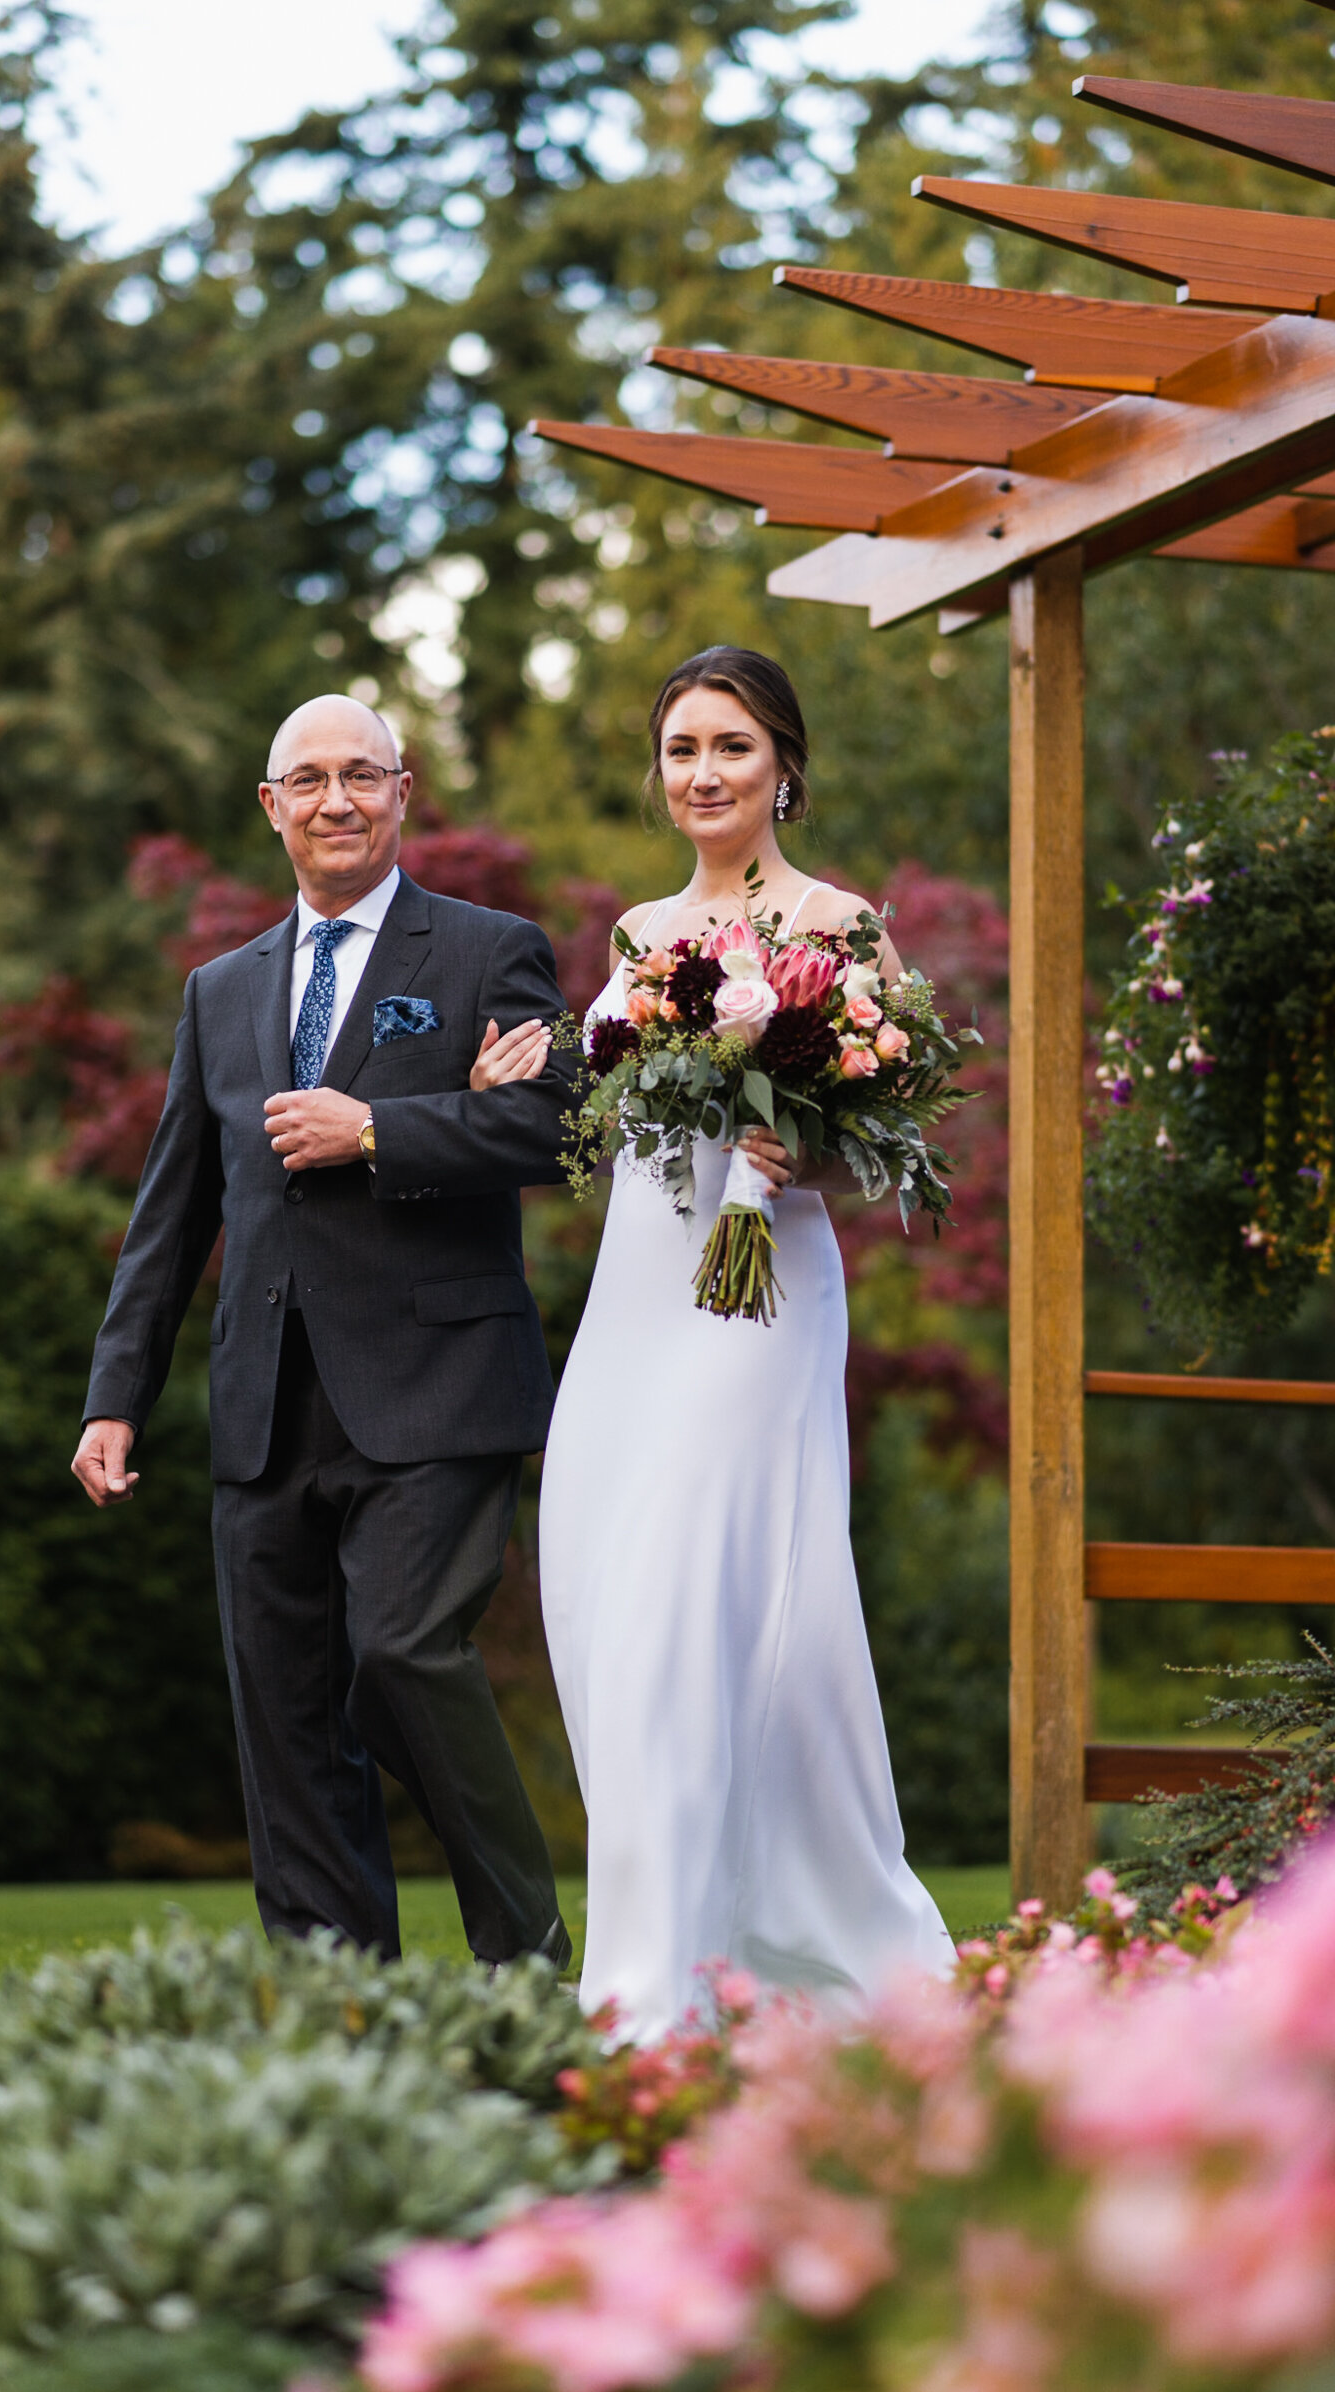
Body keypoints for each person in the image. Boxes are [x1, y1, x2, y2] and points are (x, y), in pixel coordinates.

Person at [477, 646, 955, 2037]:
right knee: (604, 1580)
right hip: (640, 1284)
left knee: (720, 1598)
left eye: (730, 747)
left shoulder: (841, 925)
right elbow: (612, 1124)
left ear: (784, 767)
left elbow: (894, 1136)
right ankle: (669, 1938)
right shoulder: (632, 935)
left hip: (759, 1295)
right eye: (682, 748)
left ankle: (715, 1965)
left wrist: (811, 1156)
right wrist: (527, 1074)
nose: (703, 773)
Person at [71, 694, 572, 1969]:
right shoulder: (217, 992)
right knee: (285, 1714)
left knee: (404, 1655)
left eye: (363, 775)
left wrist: (382, 1130)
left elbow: (555, 1129)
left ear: (405, 792)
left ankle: (527, 1955)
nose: (336, 799)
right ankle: (334, 1994)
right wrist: (113, 1395)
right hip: (262, 1401)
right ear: (271, 804)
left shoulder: (485, 951)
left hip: (437, 1380)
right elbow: (174, 1209)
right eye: (311, 779)